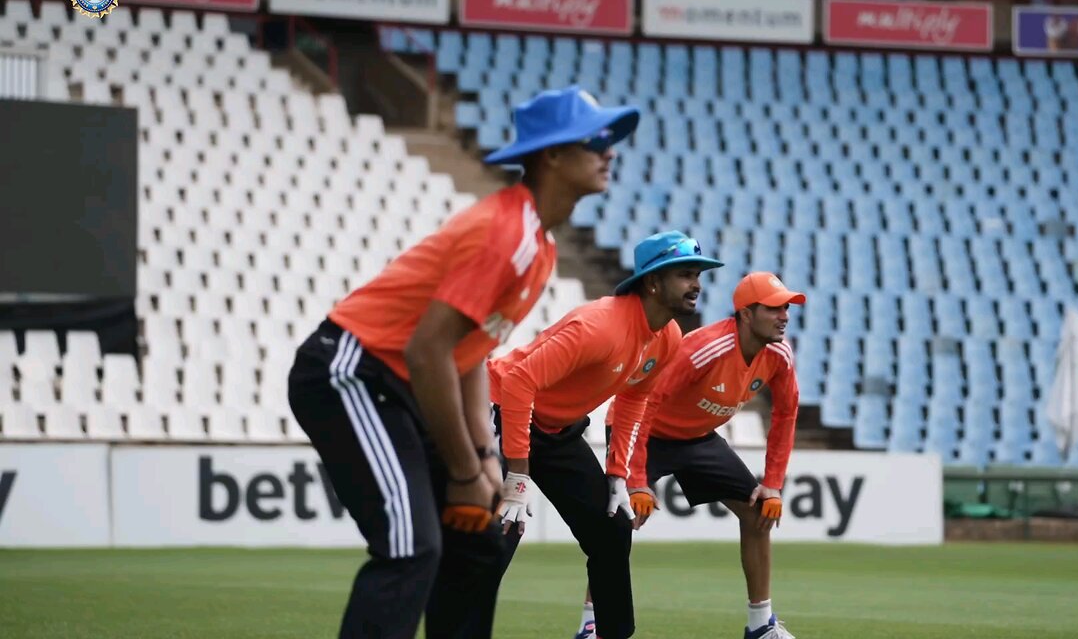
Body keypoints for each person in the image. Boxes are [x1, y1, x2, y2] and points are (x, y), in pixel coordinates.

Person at [286, 85, 639, 639]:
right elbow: (427, 351)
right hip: (350, 371)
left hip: (401, 383)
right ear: (551, 154)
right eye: (596, 140)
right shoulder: (508, 235)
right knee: (410, 547)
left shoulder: (539, 246)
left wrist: (484, 458)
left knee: (479, 541)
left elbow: (469, 354)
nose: (610, 151)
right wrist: (464, 471)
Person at [487, 231, 723, 639]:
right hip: (499, 413)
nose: (696, 285)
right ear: (652, 281)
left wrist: (617, 475)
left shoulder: (668, 337)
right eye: (685, 274)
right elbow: (518, 383)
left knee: (611, 530)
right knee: (497, 538)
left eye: (699, 274)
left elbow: (635, 399)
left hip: (557, 432)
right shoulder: (599, 325)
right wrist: (518, 476)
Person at [575, 271, 806, 639]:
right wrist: (636, 481)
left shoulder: (779, 353)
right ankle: (592, 624)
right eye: (775, 308)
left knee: (757, 510)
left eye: (787, 308)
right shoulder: (706, 348)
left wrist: (773, 484)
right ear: (746, 314)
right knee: (620, 519)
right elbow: (644, 403)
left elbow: (786, 414)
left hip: (697, 436)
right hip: (643, 430)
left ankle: (761, 626)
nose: (785, 317)